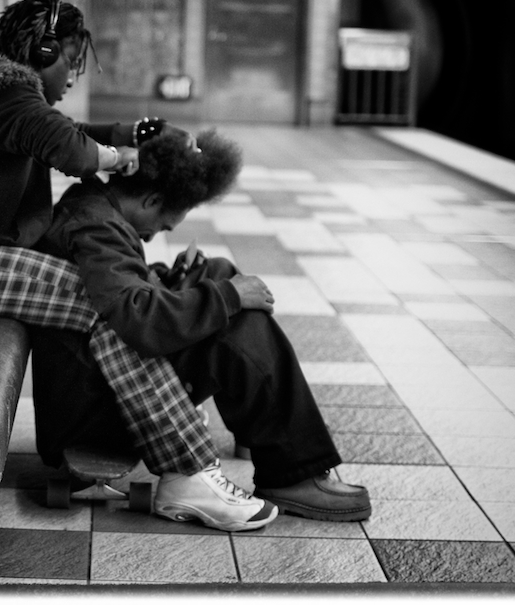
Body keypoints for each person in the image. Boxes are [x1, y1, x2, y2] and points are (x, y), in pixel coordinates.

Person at [0, 0, 275, 531]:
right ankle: (187, 472)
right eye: (70, 60)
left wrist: (116, 132)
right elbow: (71, 150)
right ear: (44, 52)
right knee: (105, 307)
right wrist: (119, 155)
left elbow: (57, 125)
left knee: (104, 301)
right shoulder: (14, 98)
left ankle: (174, 455)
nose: (71, 76)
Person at [31, 129, 372, 524]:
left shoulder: (93, 204)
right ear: (152, 199)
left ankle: (266, 430)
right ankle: (290, 472)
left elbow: (113, 293)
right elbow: (134, 318)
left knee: (218, 273)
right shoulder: (95, 228)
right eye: (163, 223)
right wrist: (226, 297)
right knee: (233, 319)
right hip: (91, 416)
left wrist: (168, 277)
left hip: (96, 382)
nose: (153, 233)